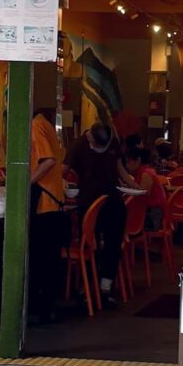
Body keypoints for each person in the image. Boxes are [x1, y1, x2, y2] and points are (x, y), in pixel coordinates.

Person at [64, 122, 136, 307]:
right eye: (97, 146)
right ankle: (88, 288)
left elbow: (119, 168)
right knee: (90, 246)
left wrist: (134, 186)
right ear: (90, 138)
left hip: (112, 199)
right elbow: (64, 171)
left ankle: (105, 287)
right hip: (88, 202)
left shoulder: (112, 143)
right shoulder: (78, 146)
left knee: (114, 243)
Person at [29, 111, 70, 323]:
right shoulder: (46, 124)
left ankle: (41, 310)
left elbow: (48, 160)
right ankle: (48, 308)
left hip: (44, 203)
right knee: (50, 260)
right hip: (54, 201)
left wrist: (25, 183)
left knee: (41, 259)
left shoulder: (35, 125)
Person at [124, 147, 167, 230]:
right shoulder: (143, 171)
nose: (126, 165)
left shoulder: (146, 173)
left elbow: (142, 196)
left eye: (129, 161)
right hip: (149, 212)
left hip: (153, 216)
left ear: (138, 160)